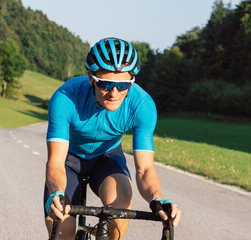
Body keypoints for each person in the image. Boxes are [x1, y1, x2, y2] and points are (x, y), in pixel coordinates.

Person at [44, 37, 181, 239]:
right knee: (62, 229)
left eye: (124, 84)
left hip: (106, 158)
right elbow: (55, 162)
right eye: (105, 84)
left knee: (121, 202)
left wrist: (156, 199)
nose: (114, 93)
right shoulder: (66, 97)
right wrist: (56, 192)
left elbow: (145, 170)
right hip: (68, 161)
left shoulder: (142, 105)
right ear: (91, 77)